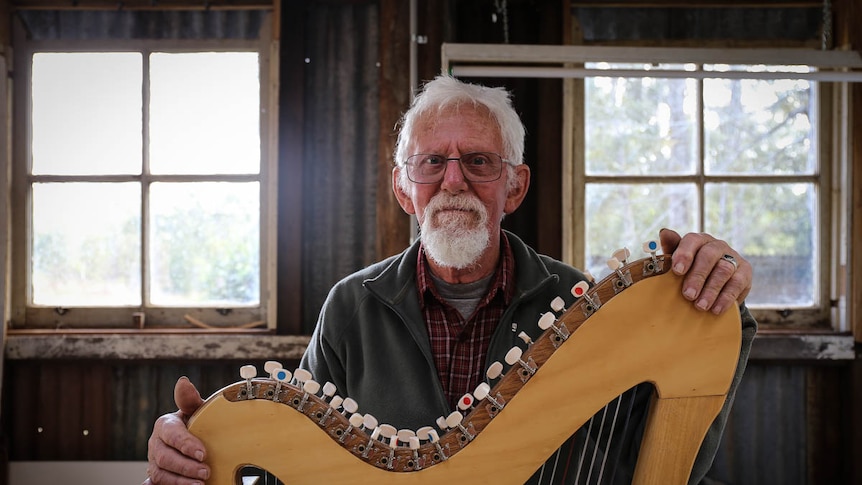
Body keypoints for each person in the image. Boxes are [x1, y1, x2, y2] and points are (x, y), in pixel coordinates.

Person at [144, 75, 756, 485]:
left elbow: (676, 461)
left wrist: (712, 299)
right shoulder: (350, 308)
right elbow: (295, 468)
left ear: (514, 186)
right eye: (431, 162)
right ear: (404, 190)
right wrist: (202, 453)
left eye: (480, 162)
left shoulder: (589, 313)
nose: (454, 181)